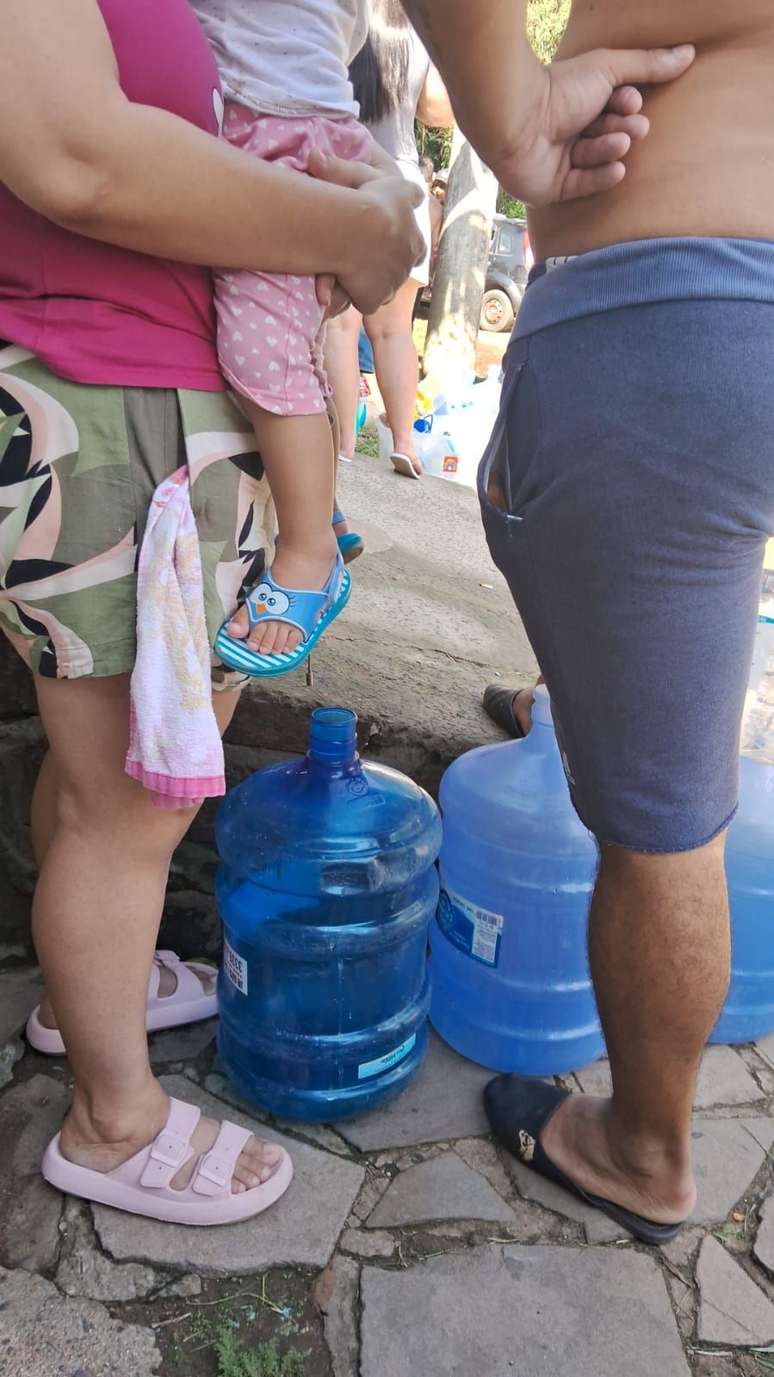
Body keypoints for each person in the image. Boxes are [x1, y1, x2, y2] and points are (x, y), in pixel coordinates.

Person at [0, 0, 421, 1227]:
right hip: (117, 401)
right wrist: (363, 220)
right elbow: (78, 156)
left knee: (99, 788)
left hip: (120, 399)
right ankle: (111, 1121)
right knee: (134, 806)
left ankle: (90, 1001)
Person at [403, 0, 769, 1244]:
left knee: (663, 823)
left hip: (691, 299)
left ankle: (645, 1150)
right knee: (649, 654)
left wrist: (509, 112)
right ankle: (593, 704)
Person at [190, 1, 417, 673]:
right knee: (283, 344)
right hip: (288, 119)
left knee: (263, 354)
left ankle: (310, 546)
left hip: (277, 129)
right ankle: (317, 497)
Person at [324, 0, 454, 478]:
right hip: (405, 185)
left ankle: (343, 446)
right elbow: (440, 111)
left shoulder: (344, 14)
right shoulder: (415, 25)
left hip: (352, 173)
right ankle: (404, 443)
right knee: (396, 330)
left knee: (342, 325)